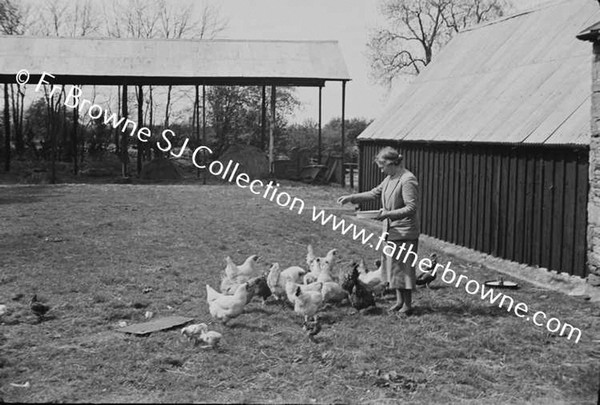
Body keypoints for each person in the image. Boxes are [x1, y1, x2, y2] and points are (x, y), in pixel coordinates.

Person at [337, 146, 420, 316]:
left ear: (391, 163)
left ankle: (408, 306)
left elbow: (411, 208)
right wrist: (351, 198)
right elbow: (374, 193)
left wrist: (387, 214)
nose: (381, 171)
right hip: (391, 230)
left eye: (382, 167)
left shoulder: (407, 180)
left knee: (403, 269)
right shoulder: (390, 178)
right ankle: (399, 301)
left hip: (404, 231)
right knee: (393, 268)